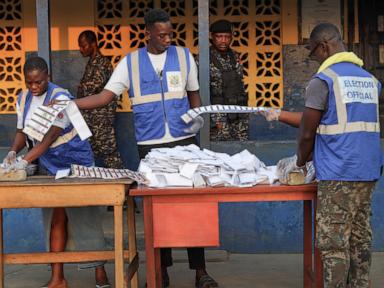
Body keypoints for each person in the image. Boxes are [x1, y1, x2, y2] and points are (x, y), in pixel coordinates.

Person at [68, 9, 218, 288]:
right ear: (147, 32)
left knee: (192, 208)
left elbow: (194, 94)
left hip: (185, 143)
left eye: (170, 33)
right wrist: (72, 104)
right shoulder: (130, 63)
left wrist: (199, 118)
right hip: (151, 146)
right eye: (161, 35)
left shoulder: (184, 57)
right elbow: (105, 96)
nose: (167, 39)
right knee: (158, 212)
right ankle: (162, 273)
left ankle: (201, 271)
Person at [261, 23, 382, 287]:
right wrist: (279, 114)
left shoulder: (324, 79)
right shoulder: (369, 80)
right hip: (369, 171)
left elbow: (307, 131)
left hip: (339, 173)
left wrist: (300, 163)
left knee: (333, 244)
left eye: (312, 51)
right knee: (359, 239)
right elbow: (331, 118)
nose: (312, 58)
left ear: (324, 46)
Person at [2, 57, 110, 288]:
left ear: (47, 76)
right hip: (49, 165)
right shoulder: (23, 99)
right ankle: (58, 278)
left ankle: (100, 272)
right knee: (55, 218)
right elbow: (23, 132)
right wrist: (12, 153)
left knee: (85, 218)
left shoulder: (61, 97)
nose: (34, 87)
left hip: (75, 162)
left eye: (39, 82)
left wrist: (23, 161)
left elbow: (49, 137)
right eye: (29, 82)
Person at [196, 20, 248, 141]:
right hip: (217, 115)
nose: (223, 40)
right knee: (219, 151)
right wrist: (209, 119)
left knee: (242, 148)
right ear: (212, 37)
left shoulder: (235, 56)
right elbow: (198, 90)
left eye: (227, 37)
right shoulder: (203, 58)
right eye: (219, 37)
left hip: (239, 112)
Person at [78, 30, 123, 169]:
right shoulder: (92, 63)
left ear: (93, 44)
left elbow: (93, 89)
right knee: (90, 152)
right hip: (91, 118)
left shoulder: (102, 63)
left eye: (84, 45)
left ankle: (120, 183)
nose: (81, 49)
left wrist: (79, 91)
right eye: (80, 46)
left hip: (101, 119)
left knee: (109, 154)